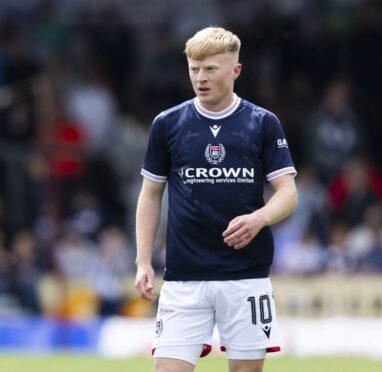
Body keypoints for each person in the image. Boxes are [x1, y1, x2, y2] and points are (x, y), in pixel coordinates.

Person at [134, 27, 298, 372]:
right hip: (183, 278)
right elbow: (150, 194)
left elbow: (288, 193)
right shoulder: (167, 124)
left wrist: (260, 218)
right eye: (194, 68)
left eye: (211, 69)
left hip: (245, 276)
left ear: (235, 71)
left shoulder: (262, 123)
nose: (200, 78)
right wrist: (143, 261)